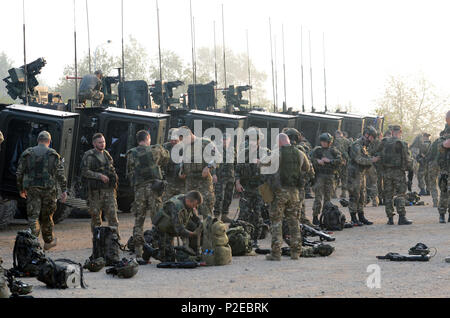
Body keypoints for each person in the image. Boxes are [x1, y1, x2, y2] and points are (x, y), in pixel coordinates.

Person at [16, 131, 67, 250]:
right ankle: (48, 241)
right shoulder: (54, 154)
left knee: (33, 217)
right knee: (47, 216)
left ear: (38, 140)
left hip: (32, 189)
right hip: (49, 190)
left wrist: (21, 189)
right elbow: (60, 174)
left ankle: (33, 242)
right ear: (49, 142)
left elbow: (19, 173)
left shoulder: (27, 153)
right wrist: (64, 190)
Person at [126, 130, 169, 263]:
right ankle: (159, 250)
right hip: (154, 189)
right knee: (157, 221)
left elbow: (129, 173)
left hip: (139, 190)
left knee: (139, 221)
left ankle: (138, 253)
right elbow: (166, 159)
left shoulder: (131, 153)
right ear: (148, 138)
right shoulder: (156, 150)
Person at [265, 134, 305, 261]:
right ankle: (296, 252)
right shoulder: (299, 153)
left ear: (279, 142)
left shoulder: (276, 153)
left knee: (276, 222)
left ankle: (276, 253)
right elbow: (308, 169)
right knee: (294, 222)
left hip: (279, 193)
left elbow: (264, 166)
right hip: (294, 192)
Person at [235, 127, 270, 246]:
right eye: (250, 139)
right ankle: (241, 238)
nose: (252, 142)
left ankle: (255, 239)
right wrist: (238, 183)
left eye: (255, 139)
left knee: (258, 214)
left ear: (259, 140)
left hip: (260, 188)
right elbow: (238, 170)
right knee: (243, 213)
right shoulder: (243, 153)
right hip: (246, 188)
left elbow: (273, 168)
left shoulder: (266, 152)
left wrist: (262, 163)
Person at [81, 133, 120, 234]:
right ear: (94, 144)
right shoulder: (89, 156)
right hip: (96, 192)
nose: (102, 144)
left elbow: (111, 168)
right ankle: (97, 240)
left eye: (103, 142)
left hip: (109, 190)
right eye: (100, 142)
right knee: (96, 219)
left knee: (113, 216)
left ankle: (114, 241)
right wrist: (100, 176)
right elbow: (85, 171)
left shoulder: (107, 154)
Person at [377, 125, 413, 225]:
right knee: (400, 194)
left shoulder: (384, 142)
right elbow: (407, 159)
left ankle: (390, 219)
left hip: (386, 172)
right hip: (398, 172)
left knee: (388, 195)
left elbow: (377, 154)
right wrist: (409, 170)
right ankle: (402, 218)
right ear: (400, 132)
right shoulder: (402, 143)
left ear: (391, 132)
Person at [152, 191, 203, 262]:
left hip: (173, 227)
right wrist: (193, 234)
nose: (195, 207)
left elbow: (195, 218)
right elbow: (179, 229)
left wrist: (200, 225)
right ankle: (150, 251)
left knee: (195, 226)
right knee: (168, 259)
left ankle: (192, 251)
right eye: (194, 205)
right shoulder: (175, 206)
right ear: (188, 201)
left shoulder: (187, 200)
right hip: (163, 231)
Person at [179, 127, 218, 218]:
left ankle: (207, 230)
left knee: (206, 208)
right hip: (190, 181)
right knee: (188, 209)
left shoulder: (205, 143)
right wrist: (181, 171)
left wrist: (208, 167)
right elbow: (182, 161)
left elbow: (217, 158)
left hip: (203, 182)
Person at [347, 127, 380, 226]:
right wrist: (372, 160)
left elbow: (365, 157)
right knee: (354, 196)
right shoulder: (356, 145)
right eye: (371, 137)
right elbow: (358, 159)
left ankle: (361, 216)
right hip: (354, 174)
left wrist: (371, 158)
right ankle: (353, 218)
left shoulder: (364, 146)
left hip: (361, 173)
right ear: (366, 135)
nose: (372, 140)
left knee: (362, 196)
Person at [283, 128, 315, 225]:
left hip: (284, 182)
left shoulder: (281, 149)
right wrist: (311, 178)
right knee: (299, 203)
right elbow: (309, 166)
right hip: (299, 182)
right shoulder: (301, 149)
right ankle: (300, 223)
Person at [310, 133, 343, 225]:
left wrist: (330, 161)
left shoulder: (334, 151)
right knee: (318, 197)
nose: (324, 143)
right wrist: (317, 161)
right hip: (320, 176)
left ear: (330, 142)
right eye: (322, 142)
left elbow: (341, 161)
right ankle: (315, 216)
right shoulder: (317, 151)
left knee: (328, 199)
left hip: (330, 176)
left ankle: (325, 216)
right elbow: (309, 159)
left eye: (326, 142)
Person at [213, 133, 236, 223]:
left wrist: (236, 177)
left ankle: (224, 215)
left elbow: (236, 163)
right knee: (219, 197)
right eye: (223, 139)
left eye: (227, 139)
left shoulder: (233, 150)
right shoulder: (216, 149)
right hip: (220, 177)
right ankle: (216, 216)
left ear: (230, 140)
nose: (225, 141)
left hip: (230, 177)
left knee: (228, 197)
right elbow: (213, 162)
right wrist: (214, 174)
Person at [162, 128, 185, 202]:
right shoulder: (165, 147)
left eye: (175, 140)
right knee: (166, 202)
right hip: (168, 181)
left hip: (181, 182)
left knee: (180, 203)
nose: (173, 141)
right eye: (172, 140)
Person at [426, 132, 443, 207]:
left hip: (432, 164)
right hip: (443, 165)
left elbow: (429, 154)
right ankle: (444, 201)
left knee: (433, 183)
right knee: (444, 183)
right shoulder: (447, 142)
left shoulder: (435, 142)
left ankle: (435, 201)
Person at [332, 130, 351, 199]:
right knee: (344, 178)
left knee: (336, 177)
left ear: (337, 134)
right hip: (346, 161)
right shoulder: (348, 141)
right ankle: (343, 193)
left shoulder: (334, 141)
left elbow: (333, 151)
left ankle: (334, 193)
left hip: (337, 161)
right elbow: (350, 151)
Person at [437, 125, 450, 223]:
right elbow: (440, 149)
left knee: (444, 194)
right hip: (445, 171)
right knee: (444, 194)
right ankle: (442, 215)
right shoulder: (441, 141)